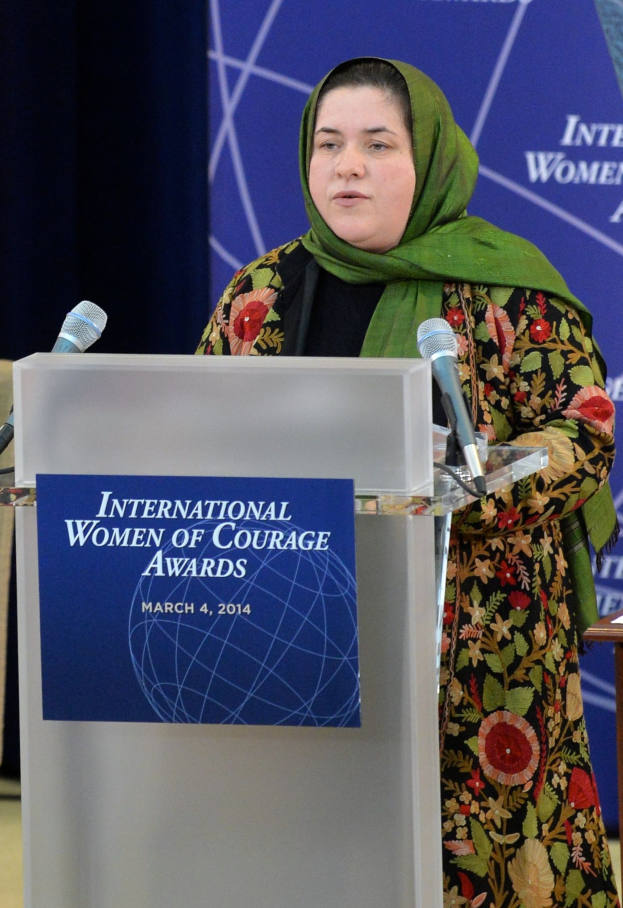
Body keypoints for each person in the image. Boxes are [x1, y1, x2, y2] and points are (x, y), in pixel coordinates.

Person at [197, 57, 621, 908]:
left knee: (486, 861)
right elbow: (200, 430)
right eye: (327, 144)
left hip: (484, 644)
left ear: (429, 160)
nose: (346, 166)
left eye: (377, 144)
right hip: (297, 626)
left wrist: (469, 479)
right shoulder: (264, 291)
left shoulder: (509, 287)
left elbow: (583, 428)